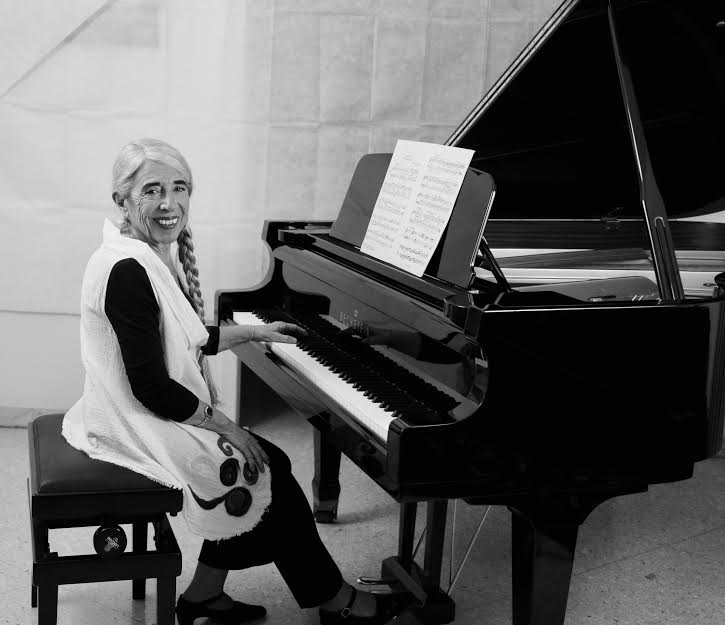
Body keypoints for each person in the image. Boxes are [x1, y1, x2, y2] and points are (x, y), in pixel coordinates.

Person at [62, 138, 394, 625]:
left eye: (179, 188)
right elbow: (152, 388)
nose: (169, 203)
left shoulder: (137, 252)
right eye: (152, 190)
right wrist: (228, 428)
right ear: (122, 200)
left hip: (133, 403)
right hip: (134, 417)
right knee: (264, 465)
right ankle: (335, 599)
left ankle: (204, 595)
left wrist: (253, 332)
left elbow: (177, 339)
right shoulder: (128, 269)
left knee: (264, 465)